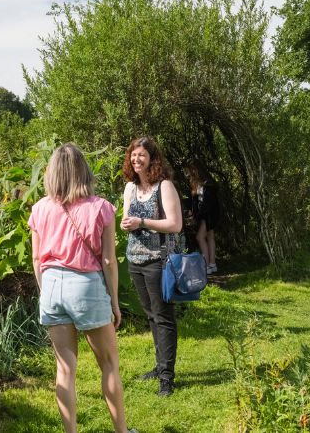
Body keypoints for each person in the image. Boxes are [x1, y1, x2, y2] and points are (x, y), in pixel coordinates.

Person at [29, 143, 131, 433]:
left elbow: (37, 259)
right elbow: (109, 260)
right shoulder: (101, 208)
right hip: (85, 284)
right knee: (109, 363)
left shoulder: (39, 209)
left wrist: (45, 291)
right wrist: (113, 302)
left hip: (51, 284)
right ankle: (121, 431)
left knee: (64, 369)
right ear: (83, 171)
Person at [118, 137, 183, 397]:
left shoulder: (164, 186)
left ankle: (167, 377)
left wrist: (142, 222)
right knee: (151, 315)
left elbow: (175, 224)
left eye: (142, 155)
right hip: (135, 259)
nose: (136, 160)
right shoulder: (129, 188)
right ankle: (159, 366)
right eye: (133, 156)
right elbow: (126, 218)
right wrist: (126, 224)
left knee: (164, 317)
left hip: (159, 260)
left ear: (152, 159)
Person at [187, 163, 221, 274]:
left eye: (192, 172)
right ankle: (212, 264)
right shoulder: (200, 185)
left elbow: (208, 204)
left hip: (209, 216)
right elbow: (196, 202)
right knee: (210, 237)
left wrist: (197, 216)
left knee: (200, 237)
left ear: (197, 172)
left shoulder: (208, 185)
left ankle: (206, 265)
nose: (190, 174)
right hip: (207, 215)